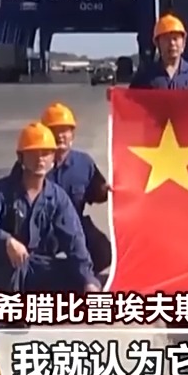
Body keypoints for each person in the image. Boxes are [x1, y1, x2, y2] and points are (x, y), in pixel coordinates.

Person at [0, 122, 101, 297]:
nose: (40, 159)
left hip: (35, 266)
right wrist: (6, 241)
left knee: (79, 278)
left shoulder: (57, 197)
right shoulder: (1, 192)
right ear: (21, 157)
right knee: (12, 267)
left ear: (53, 157)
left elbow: (74, 240)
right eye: (33, 153)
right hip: (3, 269)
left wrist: (88, 281)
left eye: (46, 153)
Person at [40, 102, 113, 275]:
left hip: (75, 226)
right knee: (26, 266)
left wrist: (105, 190)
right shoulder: (33, 161)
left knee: (104, 253)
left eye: (64, 130)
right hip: (42, 229)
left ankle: (73, 274)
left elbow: (97, 194)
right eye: (54, 130)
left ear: (72, 134)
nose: (60, 136)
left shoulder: (83, 163)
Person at [129, 13, 188, 90]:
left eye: (175, 38)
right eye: (166, 39)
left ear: (184, 43)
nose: (172, 43)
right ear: (157, 44)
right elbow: (127, 100)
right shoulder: (144, 77)